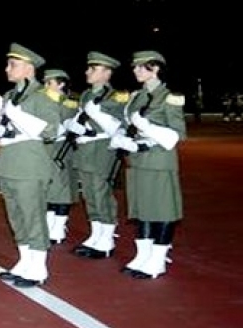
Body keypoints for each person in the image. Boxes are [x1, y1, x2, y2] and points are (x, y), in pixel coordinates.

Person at [0, 43, 61, 288]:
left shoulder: (42, 96)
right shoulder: (10, 96)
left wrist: (16, 115)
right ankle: (25, 260)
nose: (7, 68)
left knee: (32, 215)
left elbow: (51, 130)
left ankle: (38, 266)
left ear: (29, 68)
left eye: (13, 64)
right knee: (16, 216)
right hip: (8, 163)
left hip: (30, 165)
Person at [109, 50, 186, 279]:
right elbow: (128, 125)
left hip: (159, 162)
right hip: (138, 161)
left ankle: (158, 260)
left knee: (162, 210)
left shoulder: (169, 97)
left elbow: (178, 134)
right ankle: (143, 256)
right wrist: (124, 139)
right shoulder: (136, 97)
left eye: (141, 67)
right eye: (135, 67)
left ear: (156, 69)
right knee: (141, 209)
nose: (136, 70)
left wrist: (148, 129)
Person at [65, 52, 128, 259]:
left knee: (101, 191)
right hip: (84, 148)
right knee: (89, 193)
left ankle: (107, 238)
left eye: (93, 69)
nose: (87, 72)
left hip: (102, 147)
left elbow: (121, 126)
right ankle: (96, 235)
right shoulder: (85, 95)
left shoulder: (116, 96)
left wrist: (97, 117)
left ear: (106, 73)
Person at [41, 69, 80, 244]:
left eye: (50, 82)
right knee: (49, 190)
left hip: (61, 149)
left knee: (62, 190)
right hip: (47, 149)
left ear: (61, 84)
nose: (45, 86)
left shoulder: (68, 104)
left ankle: (58, 228)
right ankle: (50, 226)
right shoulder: (45, 102)